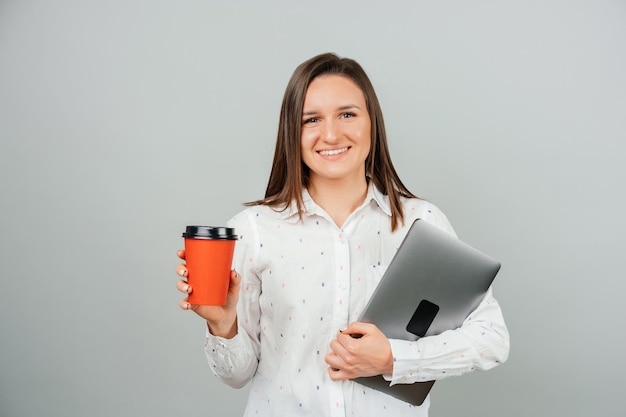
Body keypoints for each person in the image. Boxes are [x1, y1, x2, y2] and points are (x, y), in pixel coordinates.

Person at [176, 52, 509, 416]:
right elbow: (236, 374)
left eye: (347, 114)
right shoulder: (253, 229)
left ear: (372, 124)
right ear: (292, 132)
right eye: (311, 119)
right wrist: (222, 325)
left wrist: (395, 359)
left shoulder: (423, 222)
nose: (331, 134)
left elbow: (492, 339)